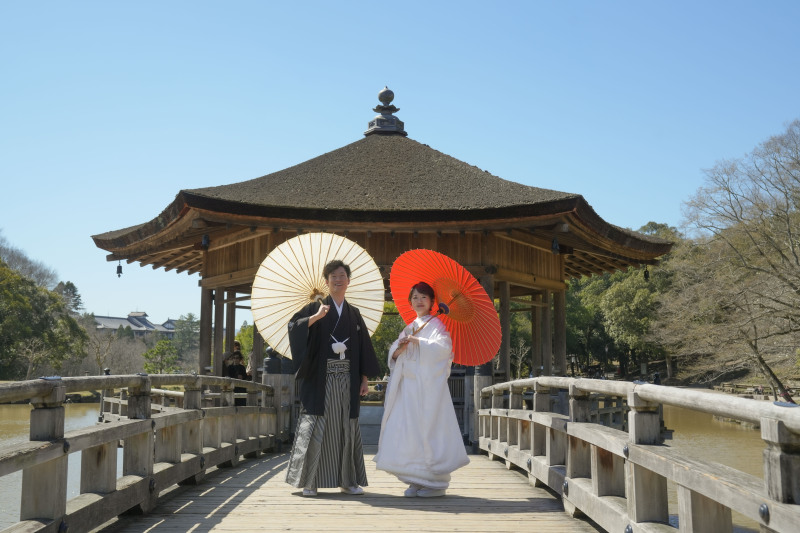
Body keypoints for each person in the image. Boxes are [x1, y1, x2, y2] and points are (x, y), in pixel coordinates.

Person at [285, 259, 380, 497]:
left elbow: (363, 348)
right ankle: (310, 481)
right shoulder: (315, 307)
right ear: (326, 282)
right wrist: (315, 318)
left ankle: (347, 481)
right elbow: (293, 326)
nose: (338, 280)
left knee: (345, 428)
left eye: (342, 276)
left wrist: (364, 379)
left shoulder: (354, 314)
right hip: (320, 379)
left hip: (347, 379)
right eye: (333, 277)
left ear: (349, 280)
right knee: (318, 427)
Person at [373, 281, 469, 498]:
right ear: (410, 301)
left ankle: (434, 483)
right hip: (408, 389)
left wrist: (419, 342)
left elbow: (443, 350)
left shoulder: (438, 326)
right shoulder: (410, 325)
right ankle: (415, 478)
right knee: (408, 431)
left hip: (427, 390)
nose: (419, 301)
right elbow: (394, 356)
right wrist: (400, 349)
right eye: (415, 297)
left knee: (427, 430)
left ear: (432, 302)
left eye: (423, 297)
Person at [227, 341, 248, 406]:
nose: (236, 359)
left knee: (242, 404)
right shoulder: (230, 367)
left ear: (240, 359)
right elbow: (229, 376)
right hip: (233, 388)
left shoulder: (242, 367)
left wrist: (242, 377)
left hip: (241, 388)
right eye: (234, 358)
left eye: (237, 358)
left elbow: (245, 377)